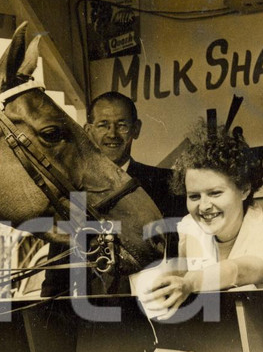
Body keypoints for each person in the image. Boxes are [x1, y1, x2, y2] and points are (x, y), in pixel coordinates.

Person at [137, 131, 263, 320]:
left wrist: (189, 283)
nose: (203, 206)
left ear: (244, 189)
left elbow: (246, 270)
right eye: (194, 196)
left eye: (215, 193)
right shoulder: (190, 228)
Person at [41, 92, 184, 297]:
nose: (112, 134)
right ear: (88, 131)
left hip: (153, 311)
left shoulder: (166, 183)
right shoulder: (72, 195)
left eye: (122, 125)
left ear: (136, 129)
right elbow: (57, 281)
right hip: (91, 318)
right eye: (103, 125)